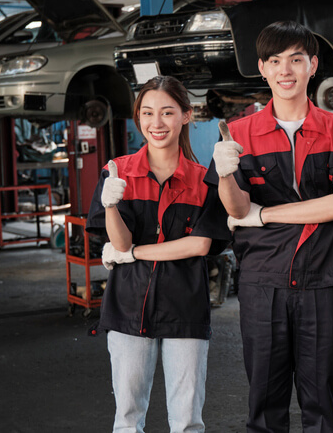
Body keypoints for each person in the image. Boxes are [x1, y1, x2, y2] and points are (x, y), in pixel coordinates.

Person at [205, 21, 333, 432]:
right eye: (275, 61)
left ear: (313, 66)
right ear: (262, 68)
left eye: (296, 59)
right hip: (264, 280)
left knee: (320, 403)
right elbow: (238, 208)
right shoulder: (238, 134)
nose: (286, 70)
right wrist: (226, 173)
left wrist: (266, 214)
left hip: (321, 278)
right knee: (264, 402)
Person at [86, 75, 229, 432]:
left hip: (186, 308)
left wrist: (135, 252)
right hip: (128, 309)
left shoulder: (203, 180)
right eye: (147, 113)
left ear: (186, 115)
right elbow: (117, 244)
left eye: (167, 112)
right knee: (128, 418)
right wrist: (111, 206)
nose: (156, 123)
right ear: (138, 118)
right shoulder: (117, 172)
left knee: (187, 421)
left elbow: (200, 245)